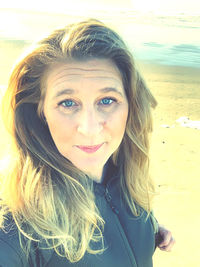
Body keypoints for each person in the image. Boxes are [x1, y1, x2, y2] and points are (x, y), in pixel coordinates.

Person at [0, 19, 175, 267]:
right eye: (68, 103)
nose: (90, 129)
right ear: (39, 112)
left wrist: (148, 229)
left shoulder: (124, 179)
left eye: (107, 100)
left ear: (131, 106)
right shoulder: (16, 226)